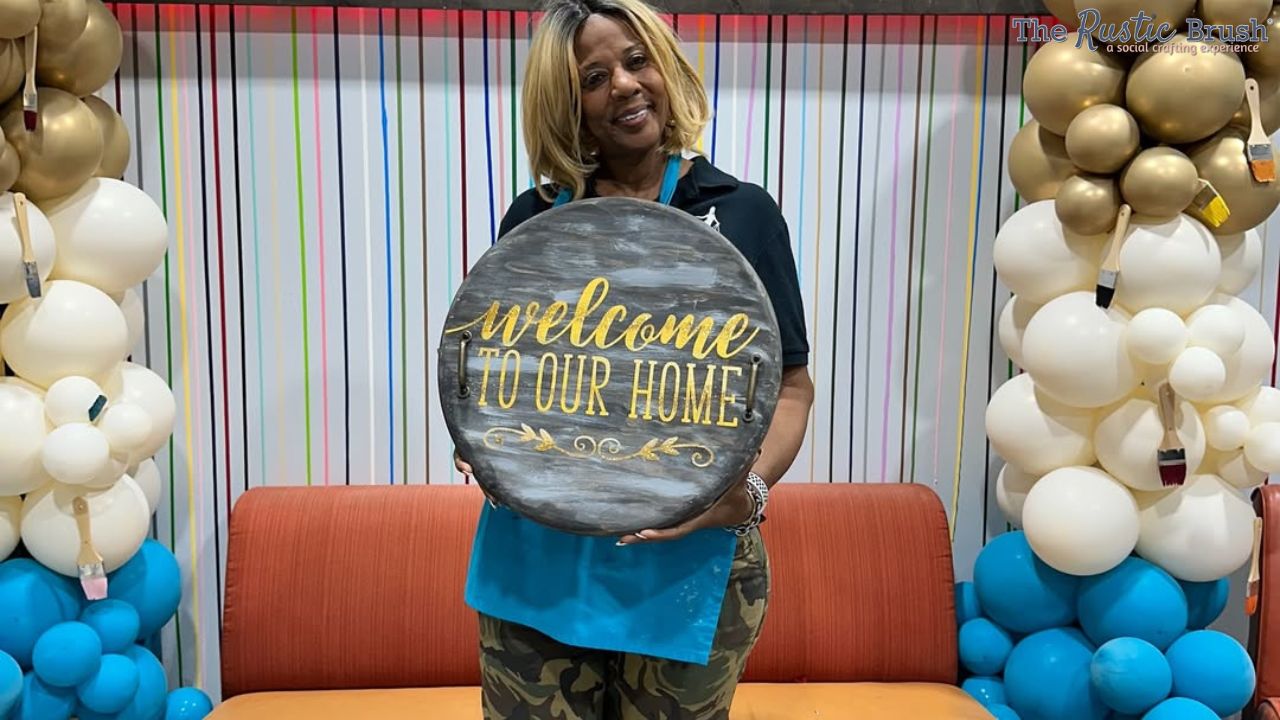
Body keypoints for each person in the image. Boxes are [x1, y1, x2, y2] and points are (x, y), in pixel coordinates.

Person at [453, 0, 814, 717]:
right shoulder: (536, 220)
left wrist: (751, 495)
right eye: (593, 76)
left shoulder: (741, 214)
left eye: (636, 60)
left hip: (689, 571)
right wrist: (482, 442)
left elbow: (792, 387)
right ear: (568, 104)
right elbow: (498, 375)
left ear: (665, 67)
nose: (622, 84)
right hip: (538, 572)